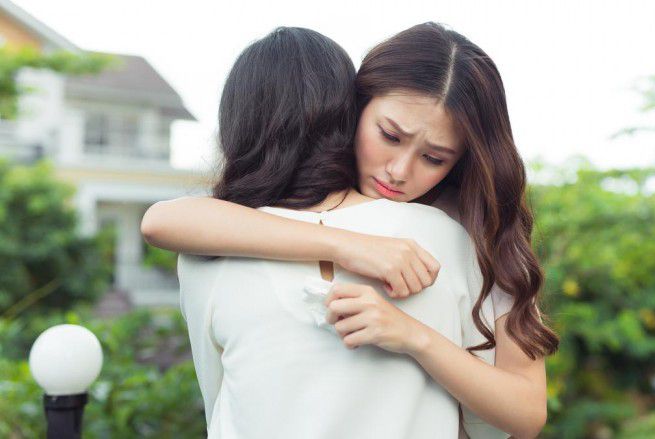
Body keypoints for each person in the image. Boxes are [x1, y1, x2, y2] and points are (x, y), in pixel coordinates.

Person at [144, 23, 557, 438]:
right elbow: (162, 221)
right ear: (353, 109)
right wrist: (350, 246)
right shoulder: (227, 235)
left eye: (434, 158)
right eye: (389, 136)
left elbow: (525, 412)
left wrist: (415, 336)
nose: (399, 171)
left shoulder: (473, 236)